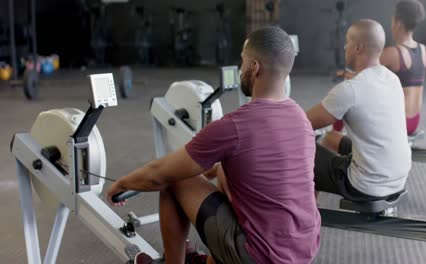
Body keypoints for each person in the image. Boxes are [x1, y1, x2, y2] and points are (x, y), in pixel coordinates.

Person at [107, 26, 321, 264]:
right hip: (303, 250)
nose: (241, 69)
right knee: (224, 172)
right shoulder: (301, 118)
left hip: (260, 257)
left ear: (254, 67)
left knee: (175, 178)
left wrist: (123, 183)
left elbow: (159, 173)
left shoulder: (236, 125)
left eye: (243, 61)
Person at [307, 19, 411, 201]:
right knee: (330, 138)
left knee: (304, 150)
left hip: (367, 185)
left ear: (358, 48)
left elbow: (301, 124)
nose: (345, 46)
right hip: (397, 178)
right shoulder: (392, 79)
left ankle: (306, 222)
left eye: (348, 41)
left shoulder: (350, 89)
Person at [335, 0, 426, 135]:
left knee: (346, 94)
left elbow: (361, 78)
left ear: (398, 23)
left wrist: (345, 74)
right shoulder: (423, 50)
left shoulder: (394, 53)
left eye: (392, 21)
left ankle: (333, 135)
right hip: (414, 120)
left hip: (400, 123)